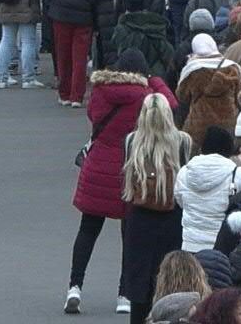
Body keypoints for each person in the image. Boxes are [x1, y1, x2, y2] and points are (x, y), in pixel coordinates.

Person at [68, 49, 176, 315]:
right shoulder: (144, 97)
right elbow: (171, 105)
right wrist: (154, 79)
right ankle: (124, 294)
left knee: (88, 230)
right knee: (130, 235)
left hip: (96, 167)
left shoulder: (100, 91)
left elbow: (94, 119)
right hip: (130, 168)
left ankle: (74, 286)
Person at [122, 92, 194, 322]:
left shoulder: (132, 141)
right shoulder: (183, 141)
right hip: (173, 217)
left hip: (139, 218)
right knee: (169, 278)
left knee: (139, 283)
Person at [178, 125, 241, 252]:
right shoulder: (239, 174)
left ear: (203, 147)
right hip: (224, 246)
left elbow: (180, 201)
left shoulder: (184, 172)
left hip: (189, 244)